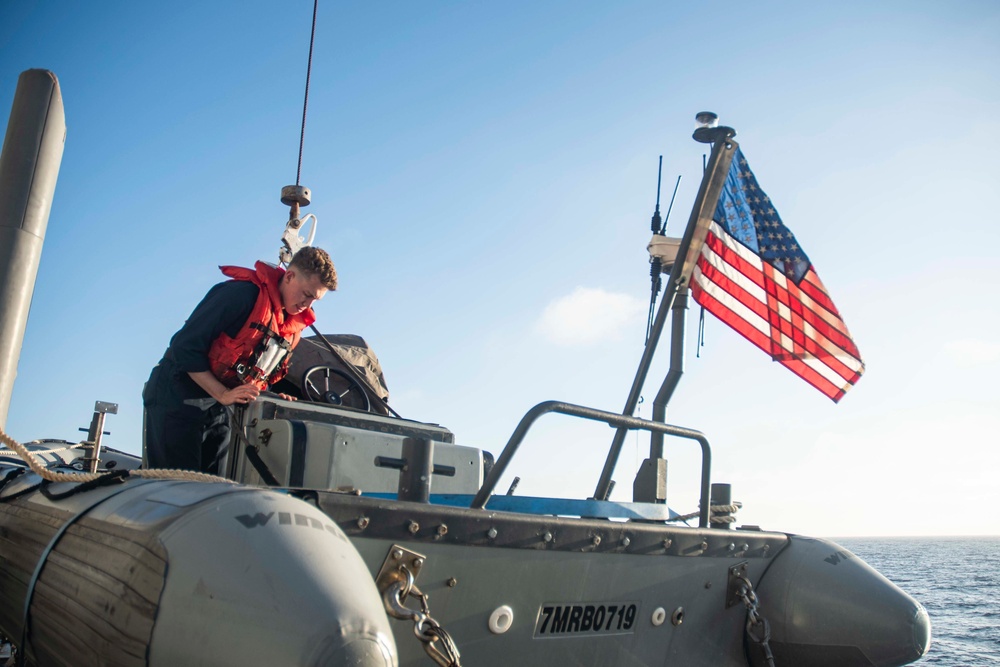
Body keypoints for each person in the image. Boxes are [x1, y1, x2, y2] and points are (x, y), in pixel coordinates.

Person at [142, 247, 338, 474]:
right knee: (177, 489)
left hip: (219, 410)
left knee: (211, 490)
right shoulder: (239, 295)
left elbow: (261, 376)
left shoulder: (288, 329)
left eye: (315, 300)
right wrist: (223, 394)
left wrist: (271, 396)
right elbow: (183, 349)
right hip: (177, 395)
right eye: (307, 294)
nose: (308, 305)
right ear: (290, 276)